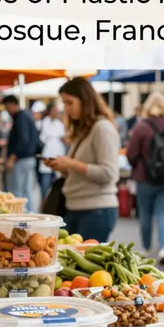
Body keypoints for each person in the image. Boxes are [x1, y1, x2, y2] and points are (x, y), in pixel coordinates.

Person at [45, 77, 120, 241]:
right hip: (77, 208)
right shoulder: (84, 129)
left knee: (84, 264)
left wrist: (70, 163)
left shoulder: (102, 128)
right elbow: (82, 169)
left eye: (70, 103)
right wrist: (62, 167)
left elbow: (108, 174)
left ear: (85, 100)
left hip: (95, 210)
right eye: (64, 103)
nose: (66, 109)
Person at [127, 92, 164, 264]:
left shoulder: (141, 127)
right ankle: (163, 248)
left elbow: (131, 154)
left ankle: (145, 249)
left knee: (145, 213)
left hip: (144, 176)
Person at [2, 94, 40, 211]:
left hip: (22, 159)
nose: (7, 110)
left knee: (17, 192)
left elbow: (24, 141)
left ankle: (19, 218)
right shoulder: (26, 116)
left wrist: (12, 158)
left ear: (11, 104)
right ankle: (28, 215)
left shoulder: (21, 117)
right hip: (29, 159)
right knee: (26, 190)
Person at [38, 103, 67, 197]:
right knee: (45, 183)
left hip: (58, 153)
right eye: (54, 110)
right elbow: (42, 138)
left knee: (58, 180)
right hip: (47, 153)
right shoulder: (44, 122)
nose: (56, 112)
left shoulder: (59, 123)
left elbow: (63, 137)